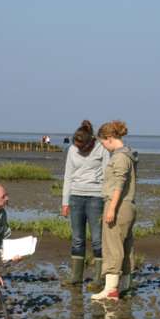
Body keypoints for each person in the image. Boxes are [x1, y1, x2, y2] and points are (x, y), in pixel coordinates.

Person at [61, 120, 110, 289]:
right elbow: (68, 176)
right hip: (75, 197)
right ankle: (76, 277)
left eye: (82, 146)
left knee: (97, 239)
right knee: (77, 239)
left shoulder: (101, 149)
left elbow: (106, 175)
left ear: (90, 142)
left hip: (96, 198)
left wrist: (107, 201)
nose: (78, 149)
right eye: (76, 145)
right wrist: (65, 202)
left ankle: (99, 278)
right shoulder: (72, 150)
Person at [92, 120, 137, 301]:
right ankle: (125, 286)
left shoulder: (119, 157)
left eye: (102, 143)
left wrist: (111, 209)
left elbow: (118, 185)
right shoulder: (128, 154)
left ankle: (111, 290)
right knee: (126, 246)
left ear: (109, 138)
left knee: (113, 247)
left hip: (119, 205)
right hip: (128, 205)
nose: (103, 147)